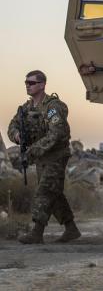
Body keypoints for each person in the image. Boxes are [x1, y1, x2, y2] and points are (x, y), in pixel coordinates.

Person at [7, 70, 81, 244]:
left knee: (44, 191)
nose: (27, 85)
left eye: (31, 82)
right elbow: (12, 125)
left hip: (56, 156)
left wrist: (32, 151)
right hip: (41, 158)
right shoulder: (26, 108)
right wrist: (17, 135)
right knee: (54, 193)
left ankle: (37, 232)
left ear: (42, 85)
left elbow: (57, 133)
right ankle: (71, 229)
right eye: (26, 82)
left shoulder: (52, 107)